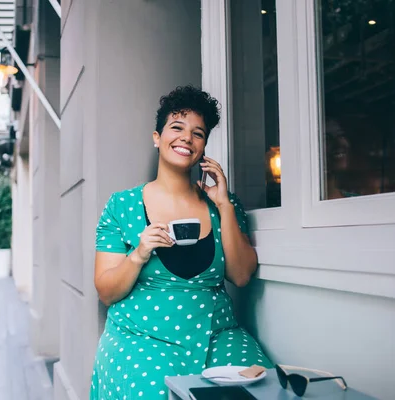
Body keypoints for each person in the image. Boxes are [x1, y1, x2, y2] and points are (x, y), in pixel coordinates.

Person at [90, 86, 272, 400]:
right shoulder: (121, 206)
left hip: (217, 335)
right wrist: (139, 253)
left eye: (198, 133)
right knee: (153, 394)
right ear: (157, 137)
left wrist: (225, 205)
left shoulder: (224, 206)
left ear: (203, 146)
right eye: (177, 127)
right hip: (141, 337)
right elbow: (106, 292)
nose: (187, 138)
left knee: (260, 391)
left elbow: (241, 276)